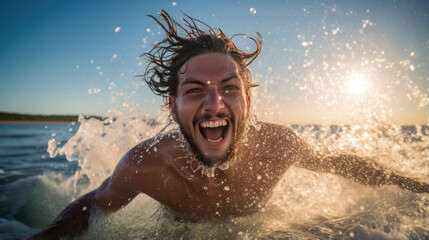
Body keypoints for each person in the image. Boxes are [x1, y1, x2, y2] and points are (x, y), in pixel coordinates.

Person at [29, 10, 428, 239]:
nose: (214, 104)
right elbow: (91, 206)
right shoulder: (145, 166)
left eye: (228, 88)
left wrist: (416, 184)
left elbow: (338, 163)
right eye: (196, 90)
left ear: (248, 100)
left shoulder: (278, 146)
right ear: (173, 108)